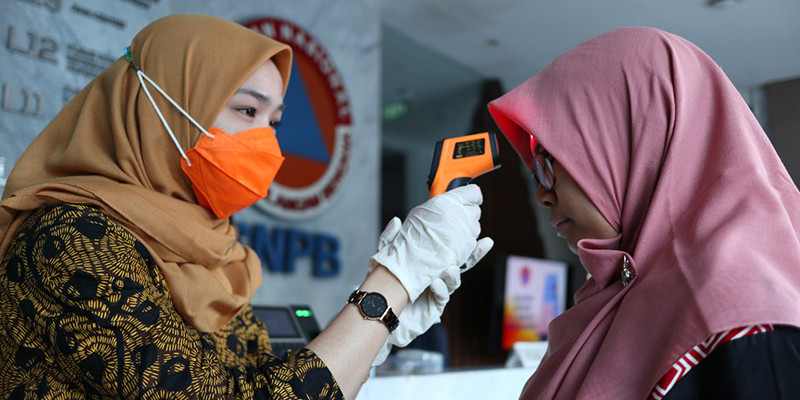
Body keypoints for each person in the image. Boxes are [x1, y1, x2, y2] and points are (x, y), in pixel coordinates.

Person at [0, 14, 493, 399]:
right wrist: (391, 281)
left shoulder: (218, 255)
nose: (267, 141)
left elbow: (276, 381)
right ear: (160, 105)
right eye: (246, 110)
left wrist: (381, 332)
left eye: (274, 120)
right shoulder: (67, 241)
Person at [487, 27, 800, 399]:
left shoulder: (739, 320)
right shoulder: (618, 300)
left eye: (547, 164)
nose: (541, 194)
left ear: (626, 142)